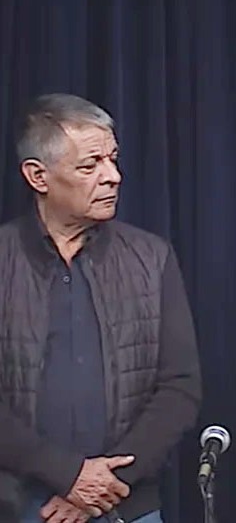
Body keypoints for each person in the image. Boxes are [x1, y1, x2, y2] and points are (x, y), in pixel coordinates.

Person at [0, 94, 202, 523]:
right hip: (21, 505)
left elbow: (180, 386)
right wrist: (67, 474)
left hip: (128, 503)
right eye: (90, 165)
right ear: (38, 176)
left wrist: (102, 486)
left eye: (112, 159)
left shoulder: (151, 257)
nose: (113, 176)